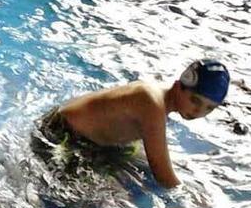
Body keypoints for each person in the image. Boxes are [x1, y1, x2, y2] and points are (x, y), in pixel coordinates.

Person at [33, 60, 231, 189]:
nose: (198, 111)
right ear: (179, 86)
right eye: (195, 100)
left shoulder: (159, 99)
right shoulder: (152, 104)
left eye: (209, 108)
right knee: (95, 201)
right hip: (60, 135)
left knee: (137, 179)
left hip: (99, 142)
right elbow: (163, 175)